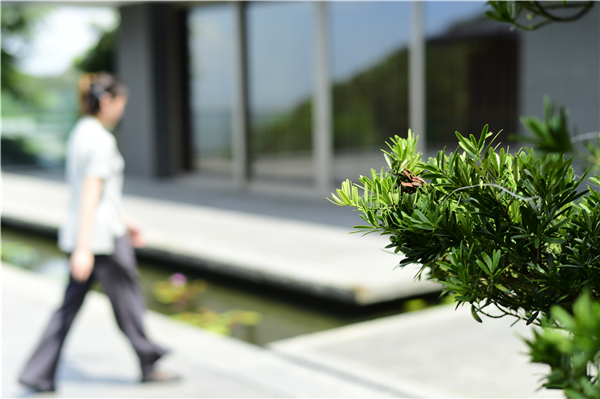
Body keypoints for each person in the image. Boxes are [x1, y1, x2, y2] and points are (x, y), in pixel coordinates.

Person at [18, 72, 178, 392]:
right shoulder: (101, 139)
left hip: (92, 233)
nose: (121, 110)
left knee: (74, 306)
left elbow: (100, 193)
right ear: (107, 101)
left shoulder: (81, 131)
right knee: (128, 300)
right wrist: (84, 247)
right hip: (101, 239)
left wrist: (125, 220)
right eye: (120, 103)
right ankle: (148, 357)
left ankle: (38, 373)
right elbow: (92, 193)